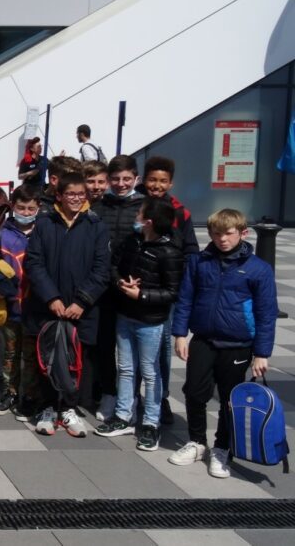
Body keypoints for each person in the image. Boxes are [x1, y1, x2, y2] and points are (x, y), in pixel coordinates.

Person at [168, 208, 277, 478]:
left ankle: (222, 448)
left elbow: (266, 314)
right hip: (203, 339)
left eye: (228, 234)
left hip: (238, 344)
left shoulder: (258, 269)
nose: (222, 239)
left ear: (243, 233)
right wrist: (180, 333)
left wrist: (262, 353)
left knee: (230, 399)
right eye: (216, 234)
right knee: (194, 391)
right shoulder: (199, 262)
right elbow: (185, 298)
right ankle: (197, 442)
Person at [94, 197, 183, 452]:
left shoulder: (170, 251)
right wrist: (121, 283)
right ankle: (124, 416)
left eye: (139, 214)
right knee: (125, 368)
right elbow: (114, 266)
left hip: (151, 321)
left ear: (149, 222)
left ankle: (151, 423)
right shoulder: (131, 242)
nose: (136, 218)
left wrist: (141, 295)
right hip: (125, 315)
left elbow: (172, 292)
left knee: (150, 372)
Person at [24, 172, 110, 438]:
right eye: (70, 194)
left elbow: (102, 268)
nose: (75, 199)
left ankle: (69, 408)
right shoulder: (45, 223)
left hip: (81, 309)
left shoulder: (96, 225)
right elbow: (34, 263)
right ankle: (48, 407)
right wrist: (52, 297)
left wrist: (82, 301)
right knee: (48, 358)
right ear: (59, 196)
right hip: (49, 307)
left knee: (76, 359)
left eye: (80, 194)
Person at [140, 155, 199, 425]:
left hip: (165, 291)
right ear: (144, 179)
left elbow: (190, 250)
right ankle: (130, 397)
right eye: (153, 179)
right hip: (134, 288)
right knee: (130, 348)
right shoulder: (136, 205)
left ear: (171, 183)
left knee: (162, 348)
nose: (157, 185)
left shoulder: (180, 212)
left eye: (163, 181)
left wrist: (182, 279)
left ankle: (160, 398)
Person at [0, 185, 41, 417]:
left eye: (31, 208)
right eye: (21, 207)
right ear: (12, 207)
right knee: (10, 354)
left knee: (32, 355)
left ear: (38, 208)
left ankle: (30, 396)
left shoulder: (44, 234)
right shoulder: (1, 235)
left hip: (36, 307)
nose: (26, 212)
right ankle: (10, 392)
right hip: (10, 306)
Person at [93, 155, 144, 422]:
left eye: (126, 179)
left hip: (134, 287)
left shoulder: (144, 205)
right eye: (116, 179)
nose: (121, 184)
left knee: (130, 349)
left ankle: (131, 398)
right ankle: (109, 393)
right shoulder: (100, 206)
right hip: (104, 286)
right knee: (104, 345)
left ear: (136, 178)